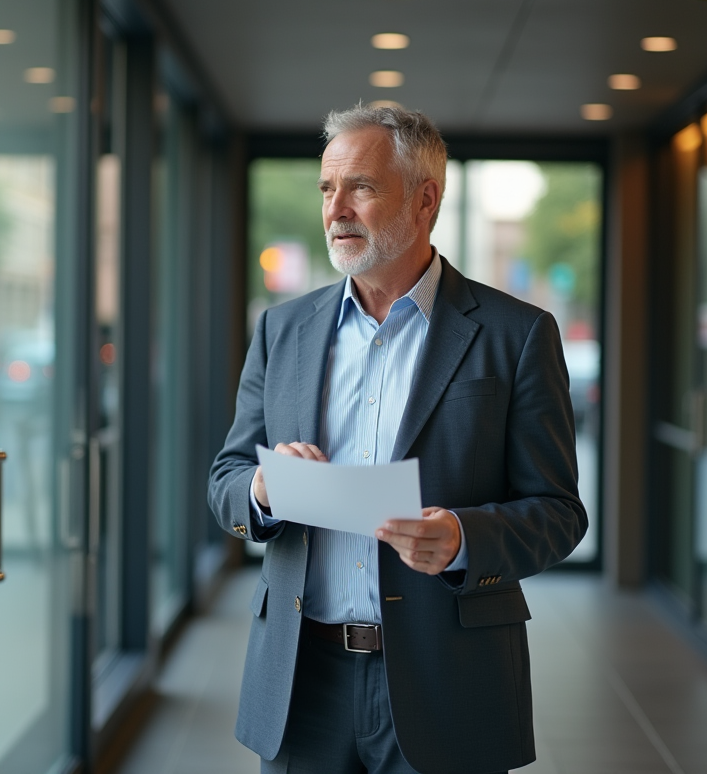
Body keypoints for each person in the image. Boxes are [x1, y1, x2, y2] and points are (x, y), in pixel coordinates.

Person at [208, 104, 586, 774]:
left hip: (449, 678)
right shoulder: (282, 330)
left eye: (361, 187)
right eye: (327, 188)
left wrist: (463, 538)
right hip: (302, 680)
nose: (336, 210)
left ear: (425, 199)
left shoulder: (518, 334)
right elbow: (226, 478)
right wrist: (262, 489)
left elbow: (559, 512)